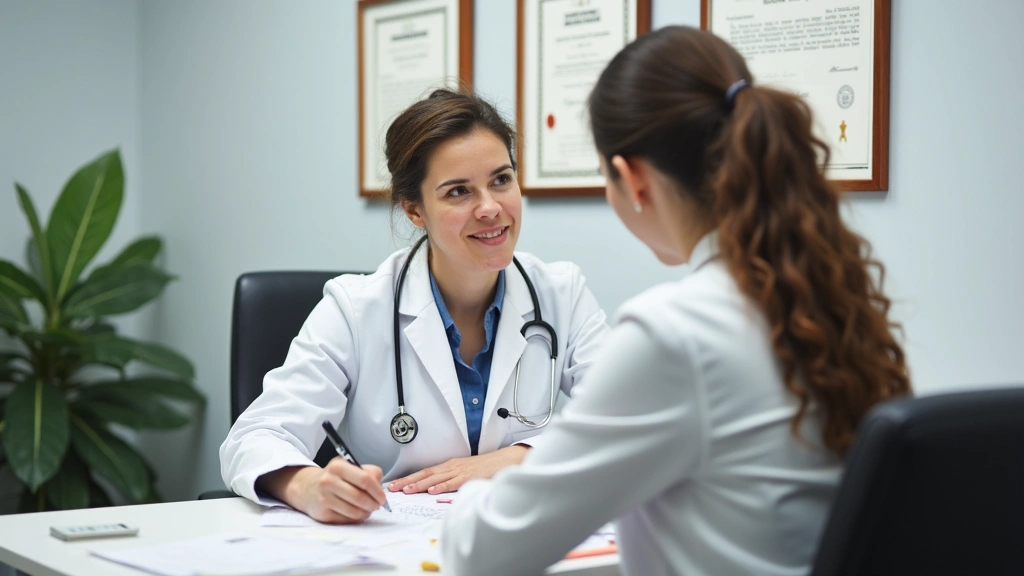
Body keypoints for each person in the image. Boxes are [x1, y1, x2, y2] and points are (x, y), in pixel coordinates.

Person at [441, 26, 912, 575]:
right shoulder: (828, 299)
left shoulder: (675, 332)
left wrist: (475, 493)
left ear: (631, 179)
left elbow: (485, 554)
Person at [220, 88, 609, 524]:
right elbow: (255, 436)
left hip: (526, 534)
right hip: (398, 546)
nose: (490, 208)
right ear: (414, 211)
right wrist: (307, 486)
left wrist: (516, 457)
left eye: (501, 179)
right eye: (459, 192)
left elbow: (627, 414)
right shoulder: (355, 309)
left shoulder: (562, 294)